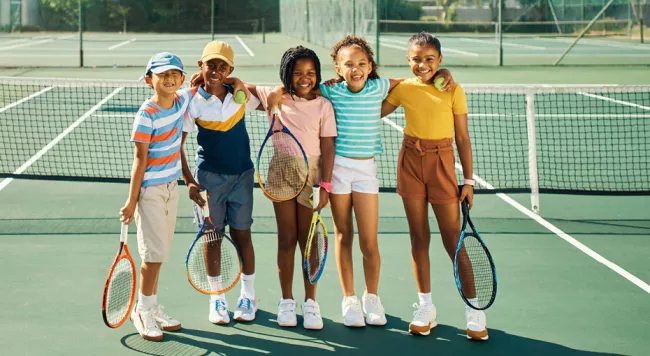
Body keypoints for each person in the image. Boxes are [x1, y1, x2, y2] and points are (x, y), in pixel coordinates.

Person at [266, 35, 454, 328]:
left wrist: (442, 73)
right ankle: (350, 300)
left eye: (362, 63)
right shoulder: (329, 92)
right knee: (344, 235)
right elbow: (299, 93)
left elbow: (414, 78)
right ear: (338, 69)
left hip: (366, 171)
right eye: (348, 64)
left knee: (369, 240)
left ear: (370, 67)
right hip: (338, 170)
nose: (356, 69)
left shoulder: (380, 86)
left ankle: (371, 297)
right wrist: (278, 90)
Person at [380, 32, 486, 340]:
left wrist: (468, 181)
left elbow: (463, 138)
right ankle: (425, 307)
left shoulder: (454, 90)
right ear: (407, 60)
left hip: (442, 165)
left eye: (429, 59)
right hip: (411, 162)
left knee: (453, 239)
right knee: (418, 237)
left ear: (440, 60)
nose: (422, 64)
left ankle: (474, 309)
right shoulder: (403, 89)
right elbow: (372, 110)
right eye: (416, 59)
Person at [180, 40, 261, 326]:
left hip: (242, 175)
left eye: (222, 66)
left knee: (243, 237)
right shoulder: (190, 100)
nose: (216, 70)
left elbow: (268, 100)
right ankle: (217, 297)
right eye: (210, 65)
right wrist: (189, 181)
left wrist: (238, 81)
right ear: (200, 67)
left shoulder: (240, 95)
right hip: (209, 179)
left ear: (230, 70)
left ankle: (248, 296)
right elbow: (177, 145)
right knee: (212, 237)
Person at [119, 52, 190, 341]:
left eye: (175, 73)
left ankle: (152, 305)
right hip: (149, 192)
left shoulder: (182, 100)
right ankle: (142, 310)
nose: (170, 78)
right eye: (162, 74)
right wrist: (131, 200)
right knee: (152, 255)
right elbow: (140, 160)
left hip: (172, 188)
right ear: (150, 80)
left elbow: (202, 83)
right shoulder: (145, 116)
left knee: (160, 254)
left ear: (182, 78)